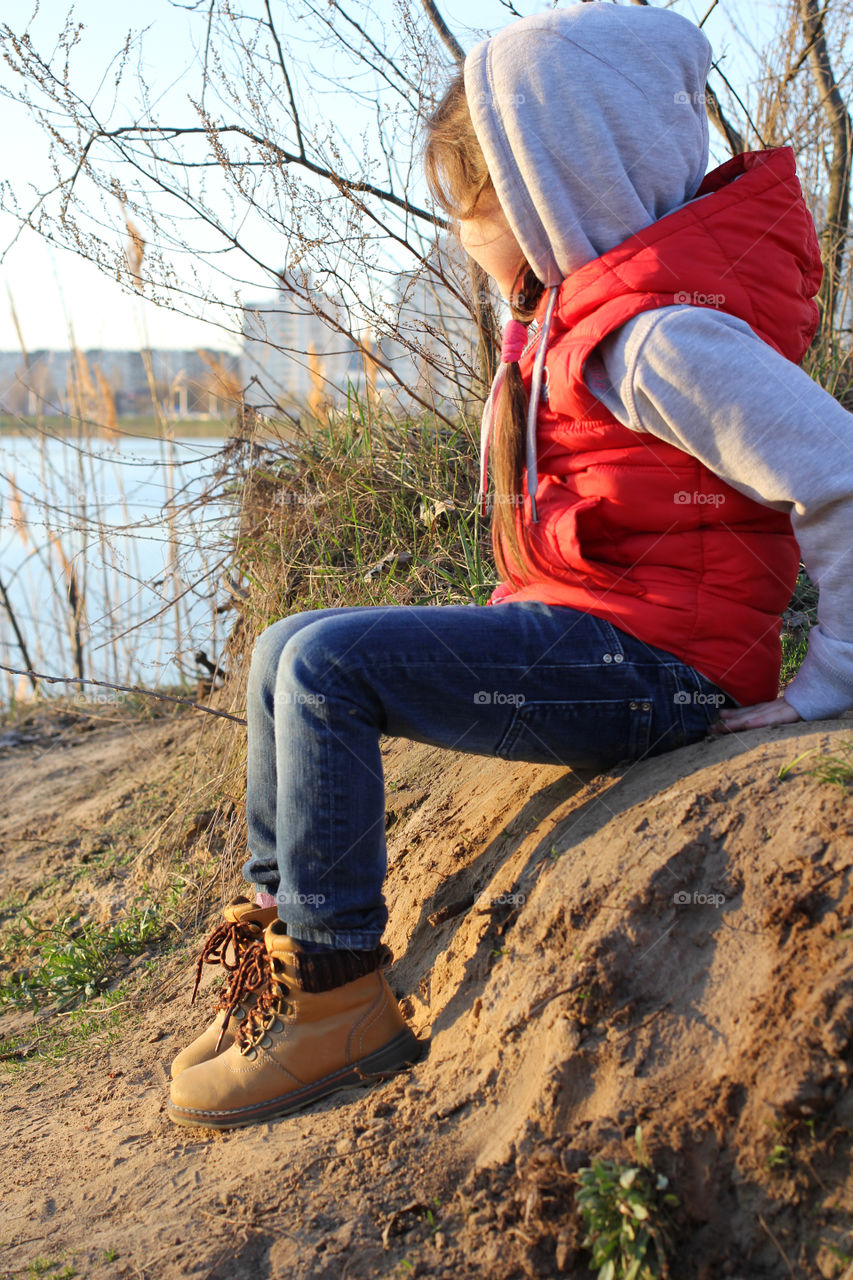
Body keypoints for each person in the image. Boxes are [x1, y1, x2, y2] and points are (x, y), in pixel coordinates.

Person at [166, 4, 853, 1130]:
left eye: (469, 207)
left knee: (329, 667)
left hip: (659, 671)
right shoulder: (577, 309)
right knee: (285, 645)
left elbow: (837, 473)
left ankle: (339, 995)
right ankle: (286, 931)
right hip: (600, 632)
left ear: (556, 186)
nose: (460, 235)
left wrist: (831, 677)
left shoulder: (660, 337)